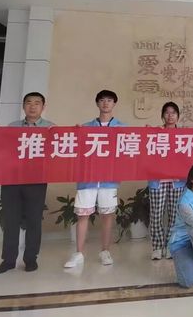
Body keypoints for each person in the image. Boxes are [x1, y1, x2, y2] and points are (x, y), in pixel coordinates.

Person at [64, 90, 126, 269]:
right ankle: (79, 253)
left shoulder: (122, 128)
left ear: (114, 104)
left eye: (109, 100)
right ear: (97, 103)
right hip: (87, 180)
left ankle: (105, 251)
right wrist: (73, 132)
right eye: (102, 100)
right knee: (82, 215)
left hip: (109, 180)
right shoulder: (85, 127)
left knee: (107, 216)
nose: (106, 103)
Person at [0, 92, 54, 274]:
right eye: (29, 103)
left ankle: (30, 259)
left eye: (37, 103)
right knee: (10, 220)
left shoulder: (51, 128)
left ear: (43, 107)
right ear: (23, 106)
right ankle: (8, 260)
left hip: (36, 180)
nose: (32, 106)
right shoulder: (12, 127)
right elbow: (2, 151)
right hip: (12, 179)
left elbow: (58, 151)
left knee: (34, 220)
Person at [149, 102, 186, 260]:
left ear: (178, 116)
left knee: (174, 215)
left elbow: (187, 157)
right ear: (162, 115)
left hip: (177, 181)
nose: (170, 116)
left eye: (173, 113)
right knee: (156, 214)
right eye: (167, 112)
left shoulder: (184, 135)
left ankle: (171, 246)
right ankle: (157, 247)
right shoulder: (155, 133)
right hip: (158, 180)